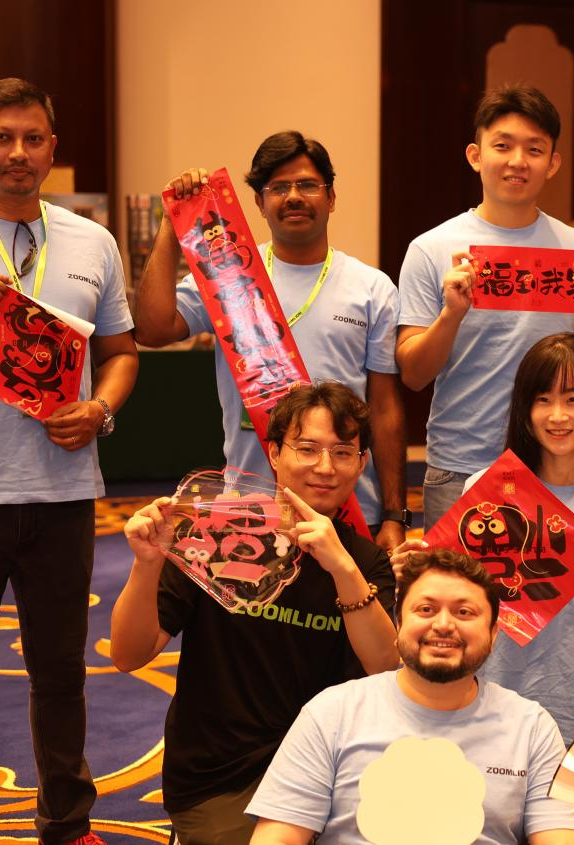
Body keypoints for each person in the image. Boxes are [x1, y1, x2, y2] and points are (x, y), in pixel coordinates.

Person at [0, 78, 137, 845]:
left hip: (63, 490)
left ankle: (67, 823)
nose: (17, 152)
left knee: (61, 672)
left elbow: (121, 352)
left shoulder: (92, 241)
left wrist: (100, 409)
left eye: (32, 138)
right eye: (1, 137)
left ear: (51, 147)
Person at [110, 381, 398, 844]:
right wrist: (147, 565)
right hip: (222, 776)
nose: (326, 468)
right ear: (275, 454)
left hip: (331, 770)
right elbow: (129, 654)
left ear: (361, 464)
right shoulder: (213, 537)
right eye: (307, 449)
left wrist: (342, 567)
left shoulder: (365, 562)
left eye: (343, 453)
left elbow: (385, 667)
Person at [397, 333, 574, 845]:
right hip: (482, 702)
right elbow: (460, 602)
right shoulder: (485, 489)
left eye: (573, 398)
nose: (558, 415)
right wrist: (417, 572)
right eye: (542, 399)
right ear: (524, 410)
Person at [132, 132, 408, 550]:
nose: (293, 197)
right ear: (259, 204)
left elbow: (385, 409)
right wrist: (173, 226)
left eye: (307, 185)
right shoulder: (228, 276)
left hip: (349, 509)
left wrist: (393, 515)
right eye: (278, 188)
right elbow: (152, 330)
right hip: (249, 508)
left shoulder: (372, 288)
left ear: (331, 197)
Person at [245, 549, 574, 845]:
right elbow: (278, 836)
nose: (444, 624)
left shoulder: (531, 728)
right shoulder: (332, 712)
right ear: (399, 622)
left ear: (494, 633)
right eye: (425, 609)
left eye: (464, 612)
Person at [396, 84, 574, 529]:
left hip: (557, 464)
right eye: (503, 146)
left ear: (552, 163)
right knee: (457, 579)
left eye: (534, 149)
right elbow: (414, 374)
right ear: (476, 155)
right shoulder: (432, 248)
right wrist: (451, 314)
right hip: (461, 466)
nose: (518, 161)